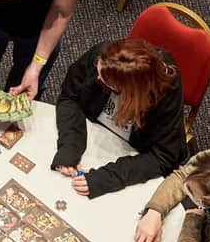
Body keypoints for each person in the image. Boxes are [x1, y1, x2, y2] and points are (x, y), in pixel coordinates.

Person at [52, 38, 187, 199]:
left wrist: (107, 177)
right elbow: (70, 96)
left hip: (130, 153)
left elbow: (164, 156)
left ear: (129, 93)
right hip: (89, 133)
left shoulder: (165, 94)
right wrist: (70, 147)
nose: (97, 78)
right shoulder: (103, 57)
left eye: (105, 82)